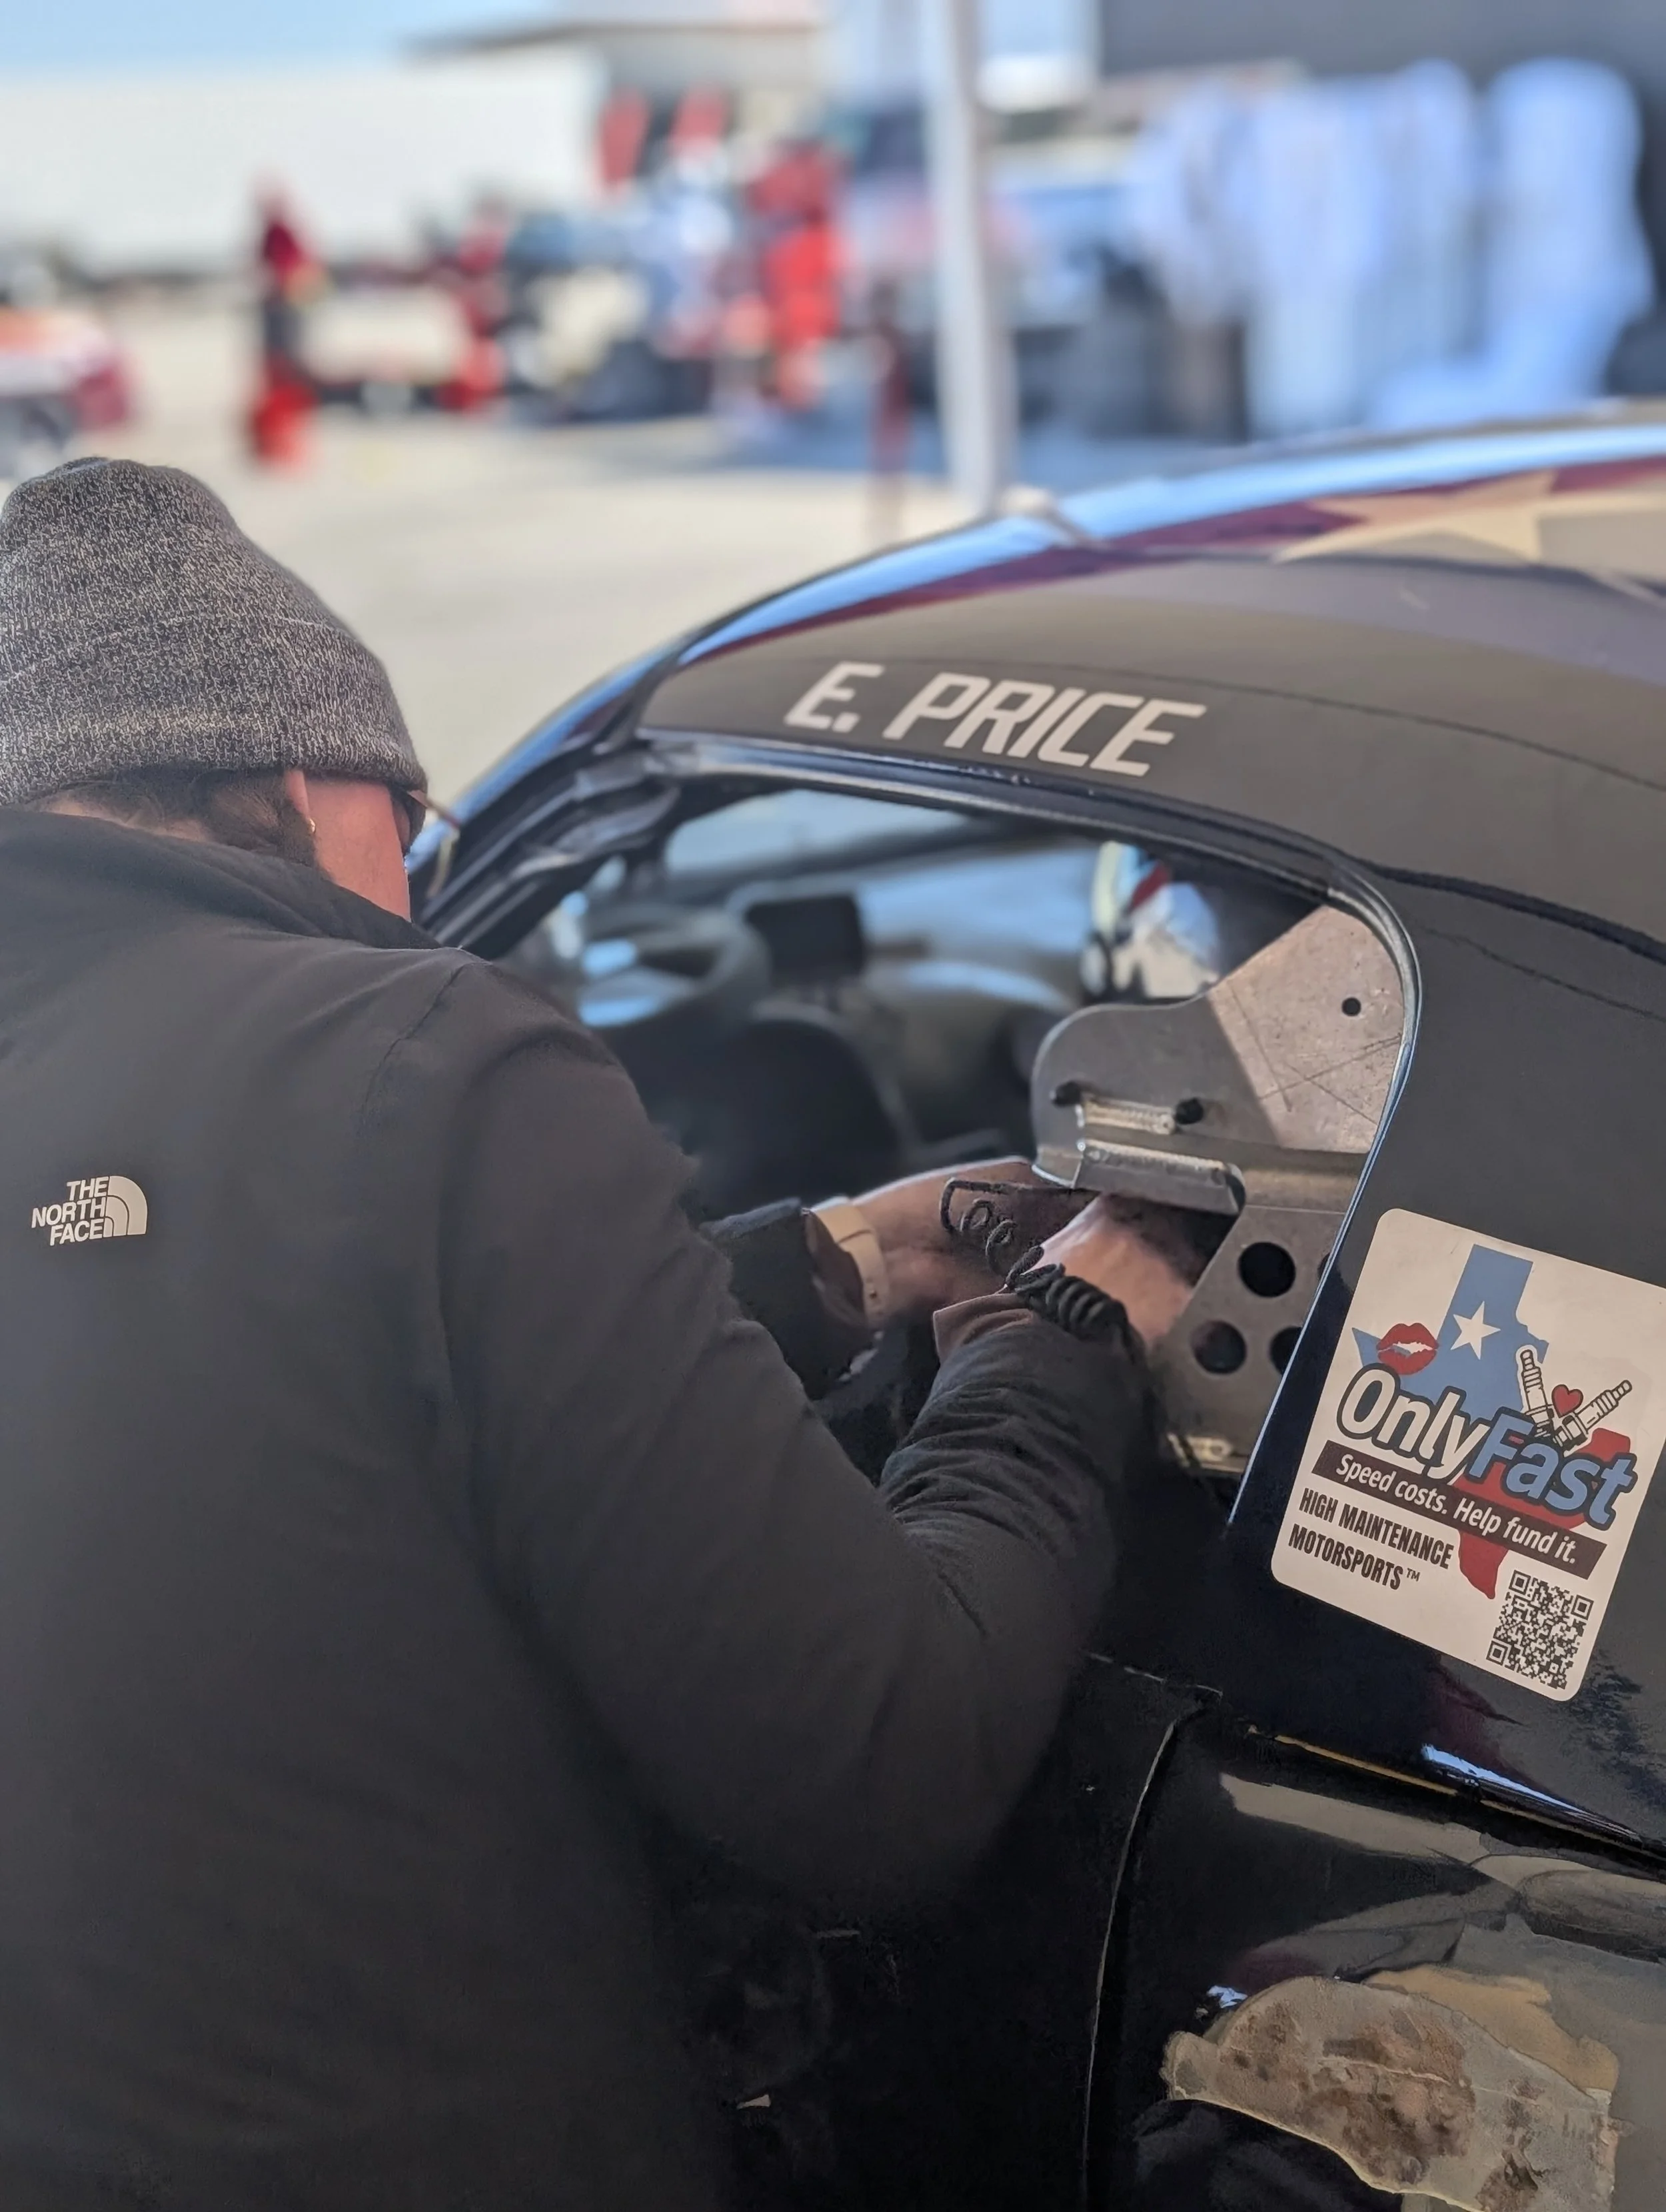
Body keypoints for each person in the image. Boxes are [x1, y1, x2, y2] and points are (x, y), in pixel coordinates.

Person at [0, 456, 1194, 2212]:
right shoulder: (416, 1055)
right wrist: (1068, 1331)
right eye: (418, 842)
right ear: (306, 784)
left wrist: (844, 1259)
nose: (413, 898)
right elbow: (886, 1760)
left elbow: (249, 1388)